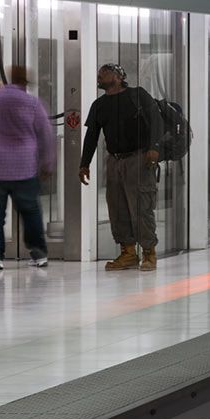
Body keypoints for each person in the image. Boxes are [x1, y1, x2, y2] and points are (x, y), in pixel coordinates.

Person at [0, 63, 56, 272]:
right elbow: (45, 135)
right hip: (24, 166)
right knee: (30, 210)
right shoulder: (32, 103)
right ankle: (39, 254)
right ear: (24, 82)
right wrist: (47, 162)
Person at [80, 62, 165, 270]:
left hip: (139, 158)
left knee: (140, 207)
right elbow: (91, 136)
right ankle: (128, 252)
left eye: (105, 73)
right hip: (114, 161)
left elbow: (157, 121)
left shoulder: (137, 95)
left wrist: (154, 147)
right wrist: (84, 163)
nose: (99, 76)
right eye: (99, 74)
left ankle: (148, 252)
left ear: (118, 77)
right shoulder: (99, 105)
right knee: (117, 208)